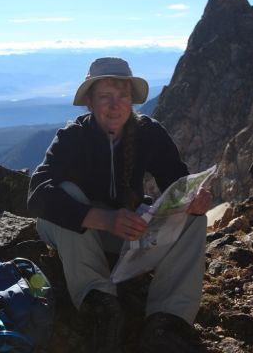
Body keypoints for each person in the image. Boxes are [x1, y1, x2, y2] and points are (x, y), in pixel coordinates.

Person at [27, 57, 212, 352]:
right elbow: (38, 195)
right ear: (89, 103)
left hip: (124, 235)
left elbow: (177, 182)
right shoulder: (72, 137)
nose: (115, 106)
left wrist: (195, 198)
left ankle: (167, 322)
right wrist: (103, 218)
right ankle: (100, 305)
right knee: (67, 191)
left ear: (132, 100)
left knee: (194, 220)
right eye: (105, 97)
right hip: (76, 235)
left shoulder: (149, 133)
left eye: (122, 96)